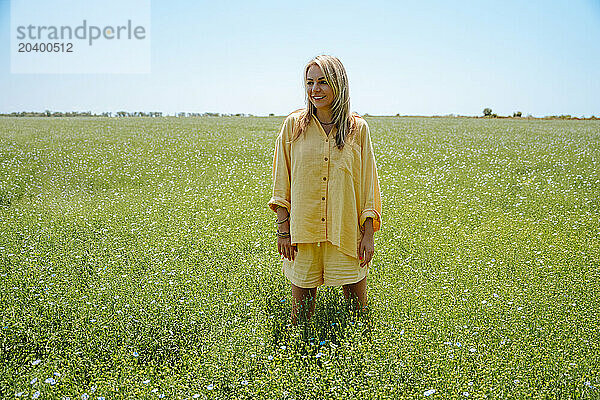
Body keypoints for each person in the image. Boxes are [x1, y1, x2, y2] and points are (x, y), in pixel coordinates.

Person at [268, 54, 382, 325]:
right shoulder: (293, 126)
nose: (314, 90)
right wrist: (283, 230)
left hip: (346, 233)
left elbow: (368, 185)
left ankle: (358, 356)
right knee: (301, 317)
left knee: (357, 313)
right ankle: (299, 358)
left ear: (338, 84)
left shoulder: (358, 129)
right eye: (309, 83)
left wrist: (368, 235)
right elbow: (281, 180)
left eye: (322, 82)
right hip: (303, 234)